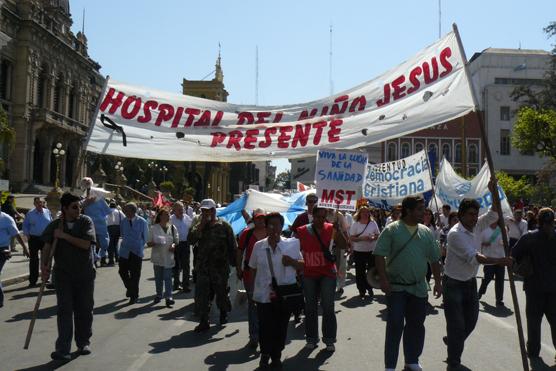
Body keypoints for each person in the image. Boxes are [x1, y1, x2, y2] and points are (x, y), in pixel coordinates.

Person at [442, 184, 513, 371]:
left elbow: (494, 212)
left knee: (471, 322)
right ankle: (453, 361)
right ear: (461, 215)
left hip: (470, 283)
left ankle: (453, 341)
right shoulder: (455, 234)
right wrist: (500, 261)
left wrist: (494, 191)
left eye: (476, 214)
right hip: (453, 285)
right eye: (471, 214)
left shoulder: (478, 224)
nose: (475, 218)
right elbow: (476, 258)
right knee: (457, 325)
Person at [374, 195, 442, 371]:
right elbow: (379, 254)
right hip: (396, 288)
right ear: (409, 210)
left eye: (424, 209)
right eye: (420, 209)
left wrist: (438, 282)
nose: (424, 212)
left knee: (416, 326)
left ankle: (411, 360)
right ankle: (390, 365)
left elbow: (435, 259)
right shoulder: (392, 230)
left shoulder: (426, 231)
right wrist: (383, 278)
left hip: (419, 289)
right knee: (395, 325)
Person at [41, 193, 96, 360]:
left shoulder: (86, 222)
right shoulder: (55, 226)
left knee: (84, 309)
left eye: (79, 206)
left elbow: (86, 244)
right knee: (64, 310)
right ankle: (63, 349)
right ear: (64, 209)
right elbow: (47, 247)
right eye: (74, 207)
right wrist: (44, 267)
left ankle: (83, 342)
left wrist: (64, 236)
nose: (78, 209)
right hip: (63, 274)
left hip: (84, 274)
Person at [249, 212, 304, 369]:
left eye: (277, 225)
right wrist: (252, 291)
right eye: (271, 225)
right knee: (266, 326)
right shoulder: (259, 246)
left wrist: (292, 262)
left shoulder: (290, 245)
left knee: (281, 326)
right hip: (264, 295)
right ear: (266, 227)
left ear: (282, 226)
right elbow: (252, 268)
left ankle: (277, 355)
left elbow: (302, 265)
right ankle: (265, 354)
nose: (274, 228)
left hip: (284, 296)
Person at [512, 208, 556, 365]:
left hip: (534, 288)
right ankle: (533, 350)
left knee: (534, 321)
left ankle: (533, 350)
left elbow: (513, 255)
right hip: (551, 288)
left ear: (538, 220)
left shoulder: (529, 238)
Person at [189, 199, 236, 332]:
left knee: (221, 293)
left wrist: (236, 266)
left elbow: (233, 246)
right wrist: (200, 227)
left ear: (214, 210)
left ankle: (223, 313)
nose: (205, 213)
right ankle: (204, 320)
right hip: (203, 267)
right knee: (203, 295)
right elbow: (190, 240)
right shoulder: (199, 225)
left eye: (208, 210)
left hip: (220, 268)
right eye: (203, 211)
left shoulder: (224, 226)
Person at [297, 205, 337, 352]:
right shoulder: (302, 231)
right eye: (318, 216)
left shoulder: (332, 229)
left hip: (328, 273)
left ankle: (329, 340)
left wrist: (340, 232)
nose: (320, 219)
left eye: (323, 217)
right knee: (310, 308)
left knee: (328, 307)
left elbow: (344, 245)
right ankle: (311, 339)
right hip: (309, 274)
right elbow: (295, 249)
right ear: (312, 216)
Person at [236, 208, 267, 349]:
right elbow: (240, 251)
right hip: (250, 275)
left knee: (267, 305)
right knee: (253, 306)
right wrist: (238, 268)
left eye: (262, 218)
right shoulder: (246, 234)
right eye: (258, 218)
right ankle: (254, 337)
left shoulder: (271, 233)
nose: (260, 220)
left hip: (268, 276)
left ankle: (266, 336)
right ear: (254, 219)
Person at [118, 202, 149, 304]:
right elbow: (122, 234)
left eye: (126, 211)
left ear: (133, 211)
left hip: (136, 251)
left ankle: (134, 295)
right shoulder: (123, 221)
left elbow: (145, 237)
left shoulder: (142, 222)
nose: (125, 213)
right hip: (124, 250)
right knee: (122, 271)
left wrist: (139, 245)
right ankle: (130, 288)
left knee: (135, 274)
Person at [147, 208, 178, 307]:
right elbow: (148, 243)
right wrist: (155, 242)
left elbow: (176, 241)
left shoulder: (172, 228)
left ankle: (169, 296)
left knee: (168, 278)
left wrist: (173, 246)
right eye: (165, 214)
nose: (167, 216)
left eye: (168, 215)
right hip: (157, 257)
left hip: (168, 257)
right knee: (158, 278)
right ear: (160, 216)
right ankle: (159, 294)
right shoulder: (153, 228)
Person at [349, 205, 380, 300]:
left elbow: (378, 235)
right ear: (360, 213)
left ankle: (369, 287)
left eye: (367, 212)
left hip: (371, 250)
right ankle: (361, 290)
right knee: (360, 271)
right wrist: (361, 238)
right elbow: (351, 237)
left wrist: (373, 238)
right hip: (359, 251)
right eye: (363, 212)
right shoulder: (356, 224)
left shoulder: (372, 223)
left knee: (371, 271)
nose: (365, 214)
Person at [80, 178, 111, 267]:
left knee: (104, 242)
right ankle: (94, 258)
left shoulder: (100, 200)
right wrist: (86, 203)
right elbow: (78, 207)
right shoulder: (82, 199)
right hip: (88, 224)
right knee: (91, 243)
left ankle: (101, 257)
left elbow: (107, 211)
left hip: (99, 223)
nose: (89, 191)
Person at [1, 210, 29, 307]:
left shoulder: (6, 218)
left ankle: (0, 300)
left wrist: (25, 248)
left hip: (2, 250)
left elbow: (16, 234)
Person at [22, 197, 52, 286]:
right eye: (37, 202)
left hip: (45, 239)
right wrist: (27, 235)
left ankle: (45, 278)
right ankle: (33, 280)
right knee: (34, 260)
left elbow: (51, 223)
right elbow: (25, 225)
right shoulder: (30, 213)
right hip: (34, 239)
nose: (39, 204)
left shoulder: (47, 212)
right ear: (34, 204)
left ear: (43, 203)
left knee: (46, 259)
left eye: (41, 202)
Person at [477, 220, 506, 306]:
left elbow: (506, 240)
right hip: (488, 258)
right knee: (488, 278)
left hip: (501, 258)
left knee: (500, 280)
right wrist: (484, 243)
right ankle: (481, 291)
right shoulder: (484, 230)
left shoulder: (502, 230)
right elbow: (478, 242)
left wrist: (504, 242)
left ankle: (499, 300)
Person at [326, 208, 350, 296]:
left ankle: (340, 285)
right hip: (326, 244)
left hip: (339, 244)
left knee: (341, 266)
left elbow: (345, 230)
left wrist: (348, 242)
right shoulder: (322, 213)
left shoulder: (339, 215)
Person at [170, 202, 193, 292]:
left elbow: (191, 228)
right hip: (175, 244)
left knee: (186, 265)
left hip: (185, 243)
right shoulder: (171, 219)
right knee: (176, 266)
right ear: (174, 210)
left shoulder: (187, 218)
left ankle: (185, 285)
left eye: (182, 209)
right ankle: (176, 284)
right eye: (179, 209)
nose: (181, 211)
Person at [106, 201, 124, 266]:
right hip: (118, 228)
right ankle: (117, 258)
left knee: (110, 244)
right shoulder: (119, 211)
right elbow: (124, 219)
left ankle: (111, 260)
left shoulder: (107, 211)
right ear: (115, 206)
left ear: (110, 206)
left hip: (109, 228)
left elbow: (104, 219)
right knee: (115, 243)